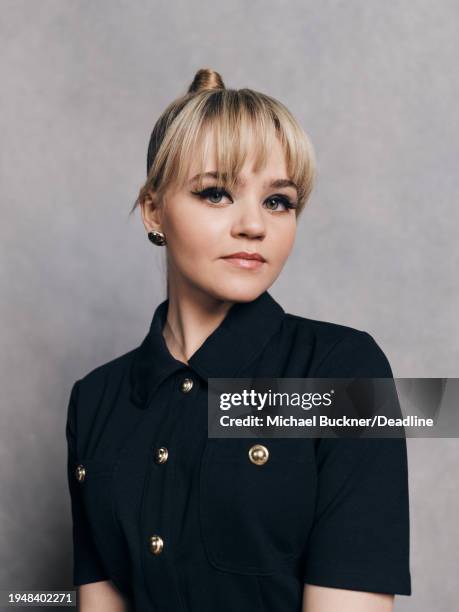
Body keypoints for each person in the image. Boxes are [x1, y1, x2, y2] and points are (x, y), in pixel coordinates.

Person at [65, 68, 411, 612]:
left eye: (278, 201)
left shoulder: (345, 372)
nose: (254, 225)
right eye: (216, 193)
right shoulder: (95, 400)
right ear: (154, 209)